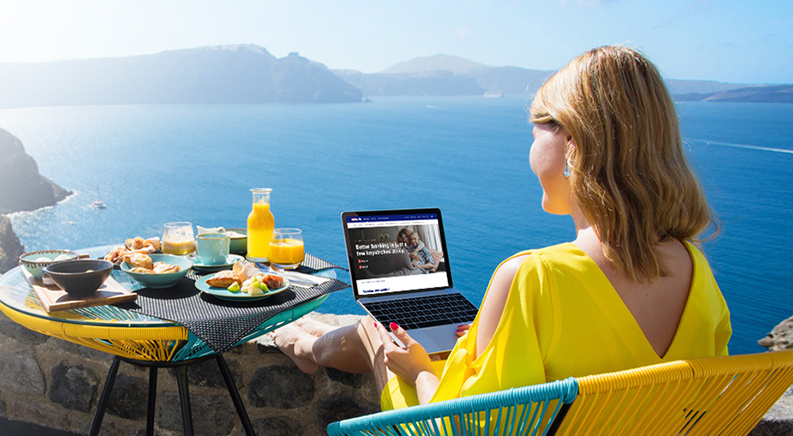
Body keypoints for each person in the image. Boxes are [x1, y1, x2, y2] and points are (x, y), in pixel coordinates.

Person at [273, 45, 731, 411]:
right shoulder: (696, 270)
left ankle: (301, 343)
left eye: (536, 133)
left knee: (378, 332)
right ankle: (307, 342)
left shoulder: (535, 277)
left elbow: (471, 433)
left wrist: (421, 373)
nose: (530, 150)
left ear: (572, 144)